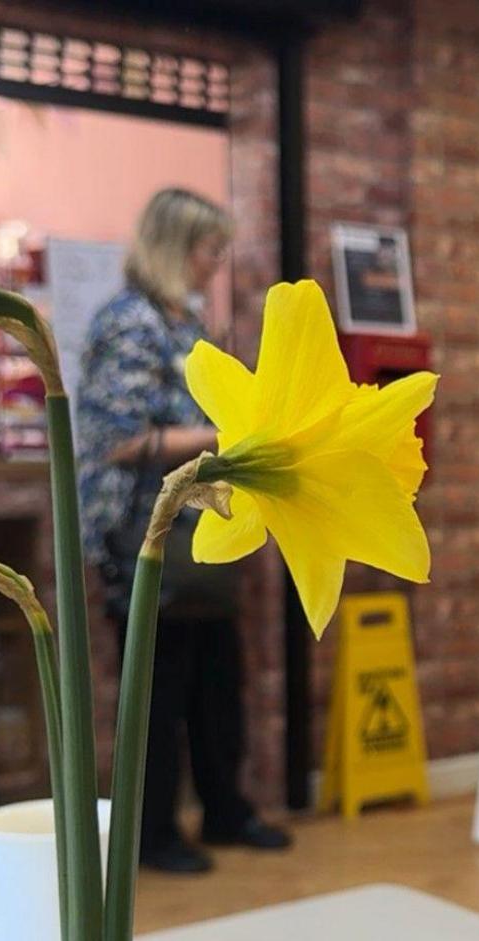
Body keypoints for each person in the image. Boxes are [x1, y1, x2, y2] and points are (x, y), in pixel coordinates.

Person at [76, 187, 291, 875]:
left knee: (217, 681)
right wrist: (227, 434)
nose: (216, 263)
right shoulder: (131, 323)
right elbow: (115, 440)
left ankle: (226, 810)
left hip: (201, 534)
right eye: (208, 249)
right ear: (174, 246)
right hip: (144, 535)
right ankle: (154, 834)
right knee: (156, 692)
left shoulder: (185, 325)